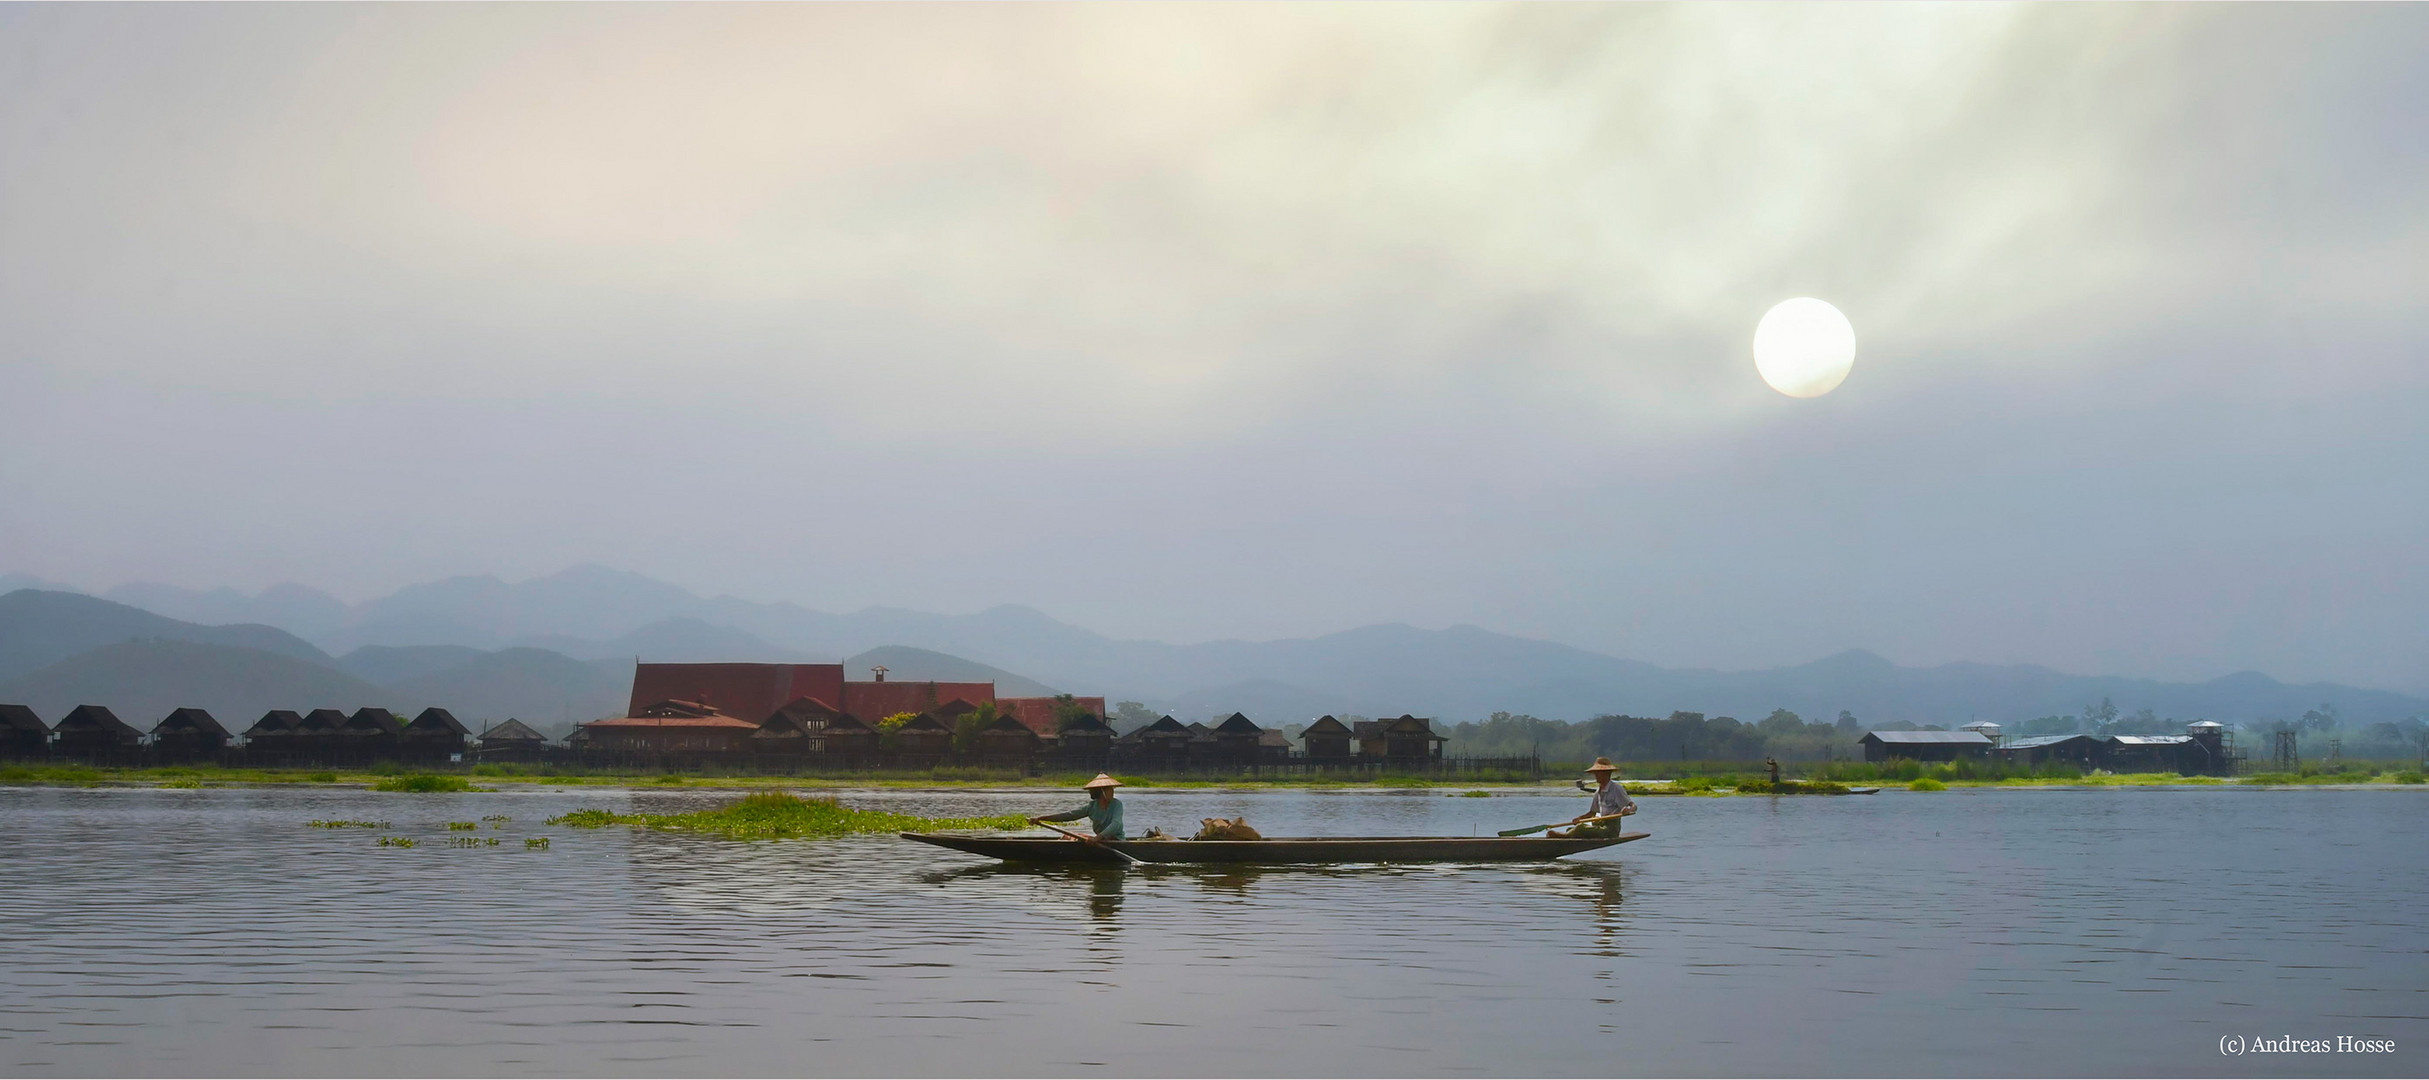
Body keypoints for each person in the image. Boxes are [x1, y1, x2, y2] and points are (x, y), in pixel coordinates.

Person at [1031, 773, 1125, 843]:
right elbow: (1069, 815)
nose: (1112, 792)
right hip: (1099, 841)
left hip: (1115, 840)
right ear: (1101, 792)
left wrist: (1097, 838)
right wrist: (1041, 818)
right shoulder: (1092, 807)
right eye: (1109, 789)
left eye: (1112, 789)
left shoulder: (1117, 804)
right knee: (1067, 837)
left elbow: (1115, 825)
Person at [1559, 758, 1634, 838]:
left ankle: (1563, 836)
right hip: (1601, 825)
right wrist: (1579, 818)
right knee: (1570, 829)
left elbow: (1633, 805)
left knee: (1580, 829)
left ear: (1606, 774)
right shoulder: (1598, 791)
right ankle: (1566, 835)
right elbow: (1592, 813)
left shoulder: (1616, 789)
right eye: (1595, 773)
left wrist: (1628, 810)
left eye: (1598, 773)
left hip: (1610, 830)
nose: (1596, 776)